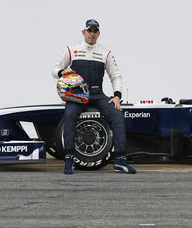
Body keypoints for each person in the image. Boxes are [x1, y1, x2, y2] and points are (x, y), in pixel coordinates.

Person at [52, 19, 136, 175]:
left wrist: (117, 96)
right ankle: (69, 159)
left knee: (117, 115)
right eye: (89, 30)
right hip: (77, 95)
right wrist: (60, 73)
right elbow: (55, 69)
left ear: (98, 33)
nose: (92, 34)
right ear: (83, 32)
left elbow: (116, 76)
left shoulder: (105, 52)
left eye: (94, 31)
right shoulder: (72, 49)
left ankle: (120, 160)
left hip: (97, 94)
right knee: (69, 115)